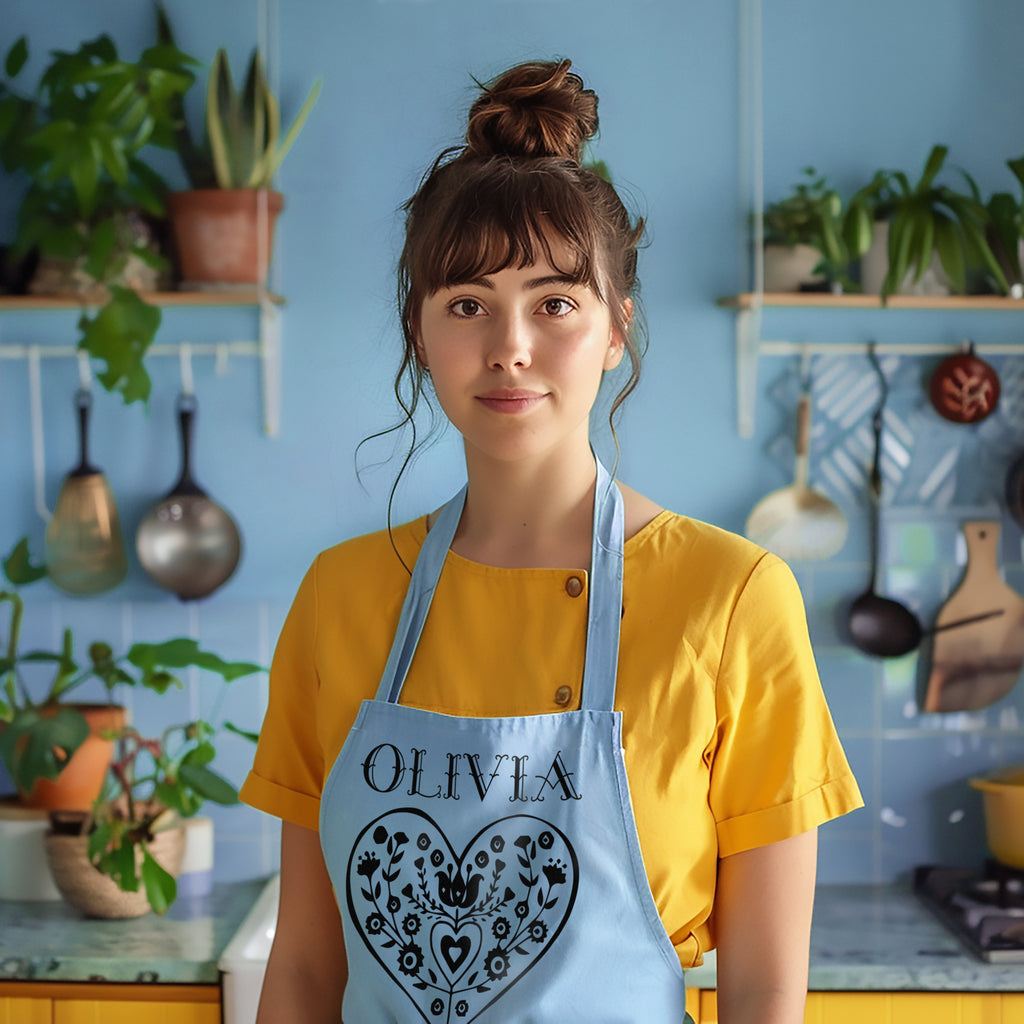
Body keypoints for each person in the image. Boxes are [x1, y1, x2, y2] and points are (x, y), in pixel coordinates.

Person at [240, 58, 863, 1024]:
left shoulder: (733, 596)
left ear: (618, 329)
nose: (510, 347)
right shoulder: (340, 594)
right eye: (466, 304)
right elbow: (306, 973)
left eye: (555, 302)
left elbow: (764, 987)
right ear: (419, 333)